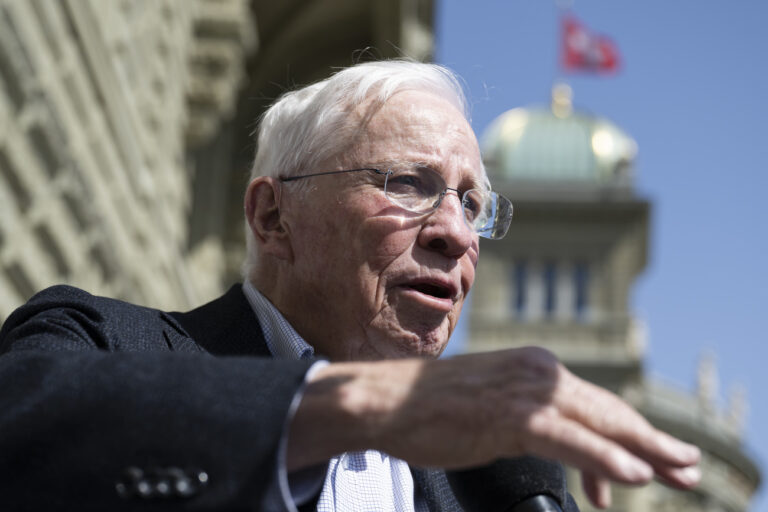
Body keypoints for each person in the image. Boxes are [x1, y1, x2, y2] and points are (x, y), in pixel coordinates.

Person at [0, 60, 700, 511]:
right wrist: (358, 404)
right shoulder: (98, 341)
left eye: (471, 204)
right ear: (274, 216)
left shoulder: (494, 480)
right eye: (409, 184)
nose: (454, 232)